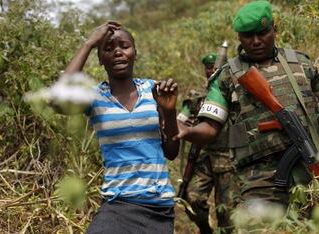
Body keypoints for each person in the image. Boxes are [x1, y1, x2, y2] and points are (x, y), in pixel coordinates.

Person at [176, 0, 319, 213]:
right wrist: (186, 130)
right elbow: (210, 128)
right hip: (259, 178)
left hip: (311, 167)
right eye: (248, 36)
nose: (256, 41)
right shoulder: (227, 75)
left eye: (262, 33)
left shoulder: (302, 63)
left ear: (274, 29)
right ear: (239, 37)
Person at [62, 21, 180, 233]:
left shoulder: (154, 90)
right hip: (118, 206)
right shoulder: (94, 97)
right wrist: (89, 43)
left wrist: (169, 112)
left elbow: (171, 152)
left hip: (159, 208)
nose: (117, 52)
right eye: (108, 48)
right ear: (100, 59)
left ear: (134, 52)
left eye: (124, 46)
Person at [178, 53, 237, 233]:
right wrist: (184, 124)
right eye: (209, 67)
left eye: (215, 66)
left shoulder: (234, 94)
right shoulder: (197, 99)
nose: (212, 70)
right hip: (204, 158)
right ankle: (206, 230)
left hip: (228, 159)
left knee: (227, 211)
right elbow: (180, 120)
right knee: (191, 198)